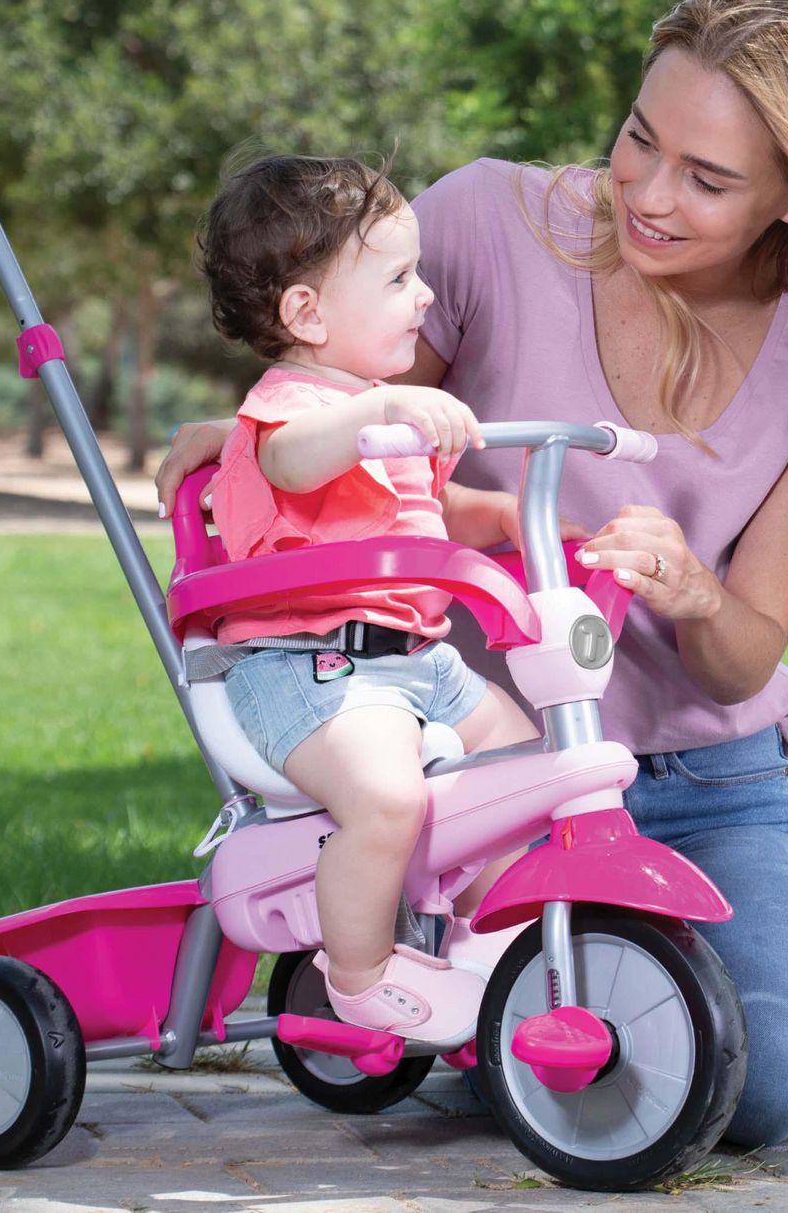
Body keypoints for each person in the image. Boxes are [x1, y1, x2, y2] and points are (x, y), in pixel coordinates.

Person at [158, 0, 788, 1146]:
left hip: (707, 787)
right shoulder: (486, 227)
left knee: (770, 1084)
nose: (648, 190)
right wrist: (248, 441)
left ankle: (526, 1029)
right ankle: (492, 1018)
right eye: (641, 137)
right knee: (636, 1059)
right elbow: (344, 413)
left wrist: (694, 591)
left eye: (709, 178)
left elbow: (739, 665)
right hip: (495, 773)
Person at [195, 152, 553, 1051]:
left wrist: (513, 515)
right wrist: (376, 412)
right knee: (388, 799)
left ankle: (486, 934)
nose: (426, 295)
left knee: (519, 764)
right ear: (306, 314)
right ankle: (357, 977)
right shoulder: (289, 411)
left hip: (414, 662)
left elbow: (435, 514)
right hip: (310, 673)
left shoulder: (381, 414)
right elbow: (295, 461)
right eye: (398, 278)